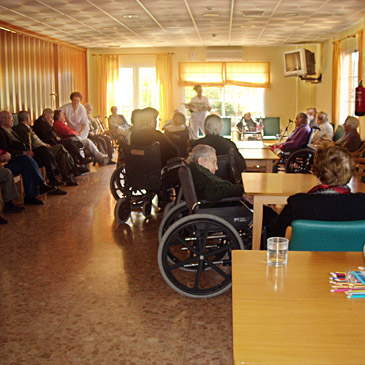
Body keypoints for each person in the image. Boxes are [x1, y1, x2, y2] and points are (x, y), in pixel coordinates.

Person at [269, 145, 365, 237]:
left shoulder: (298, 203)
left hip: (302, 253)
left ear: (317, 172)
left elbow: (275, 233)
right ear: (350, 172)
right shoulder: (361, 203)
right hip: (353, 254)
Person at [0, 112, 55, 205]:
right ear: (3, 120)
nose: (13, 120)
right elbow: (5, 150)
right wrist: (23, 153)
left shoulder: (11, 130)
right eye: (10, 118)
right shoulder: (1, 133)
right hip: (9, 161)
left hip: (20, 158)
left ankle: (30, 197)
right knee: (26, 160)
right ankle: (40, 184)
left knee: (27, 165)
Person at [14, 111, 77, 187]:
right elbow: (30, 143)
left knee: (62, 154)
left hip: (44, 148)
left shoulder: (28, 127)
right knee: (60, 147)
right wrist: (44, 145)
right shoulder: (21, 129)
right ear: (27, 118)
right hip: (39, 151)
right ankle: (69, 170)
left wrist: (45, 142)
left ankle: (65, 177)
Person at [33, 108, 88, 175]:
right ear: (47, 116)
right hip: (49, 143)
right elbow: (47, 135)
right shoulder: (40, 123)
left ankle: (74, 167)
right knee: (67, 144)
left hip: (53, 141)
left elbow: (52, 133)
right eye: (51, 117)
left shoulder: (44, 121)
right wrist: (51, 126)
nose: (52, 119)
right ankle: (74, 167)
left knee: (69, 144)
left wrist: (52, 128)